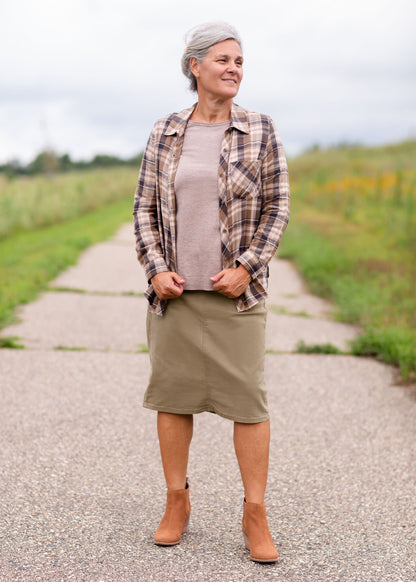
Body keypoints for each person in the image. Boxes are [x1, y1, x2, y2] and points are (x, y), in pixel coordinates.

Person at [133, 22, 290, 563]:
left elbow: (278, 208)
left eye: (240, 61)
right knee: (174, 400)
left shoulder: (261, 129)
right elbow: (144, 211)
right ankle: (176, 503)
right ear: (194, 66)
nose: (234, 68)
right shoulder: (165, 132)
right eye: (222, 59)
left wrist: (247, 266)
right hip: (175, 297)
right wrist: (155, 269)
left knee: (248, 403)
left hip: (235, 298)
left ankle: (255, 513)